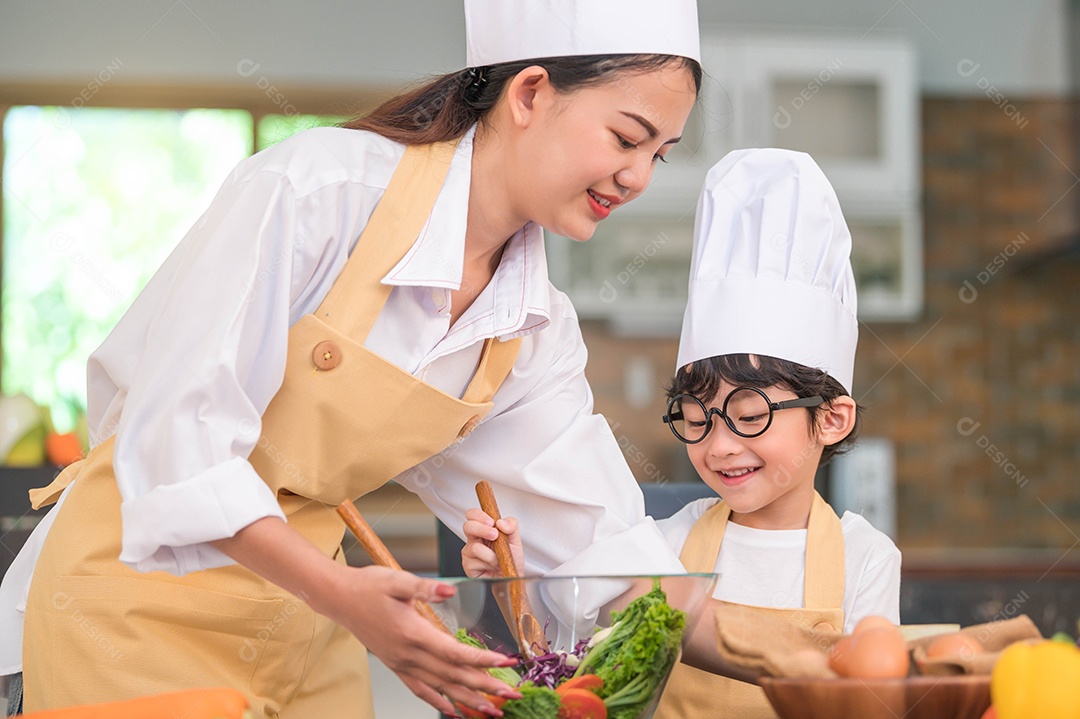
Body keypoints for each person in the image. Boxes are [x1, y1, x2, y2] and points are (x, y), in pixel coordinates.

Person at [0, 1, 703, 716]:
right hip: (134, 602)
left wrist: (769, 644)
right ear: (528, 94)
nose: (639, 176)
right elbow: (178, 443)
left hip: (300, 620)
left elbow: (599, 541)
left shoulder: (531, 326)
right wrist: (346, 597)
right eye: (626, 138)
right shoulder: (319, 192)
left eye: (660, 154)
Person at [463, 148, 902, 719]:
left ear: (831, 418)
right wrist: (515, 579)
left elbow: (875, 699)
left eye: (749, 417)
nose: (718, 446)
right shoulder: (665, 544)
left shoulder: (865, 557)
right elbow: (577, 671)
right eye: (696, 419)